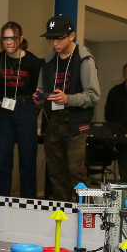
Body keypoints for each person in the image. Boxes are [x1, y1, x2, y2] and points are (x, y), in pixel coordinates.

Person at [37, 14, 100, 201]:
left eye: (58, 38)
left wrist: (68, 99)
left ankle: (86, 212)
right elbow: (41, 89)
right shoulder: (47, 62)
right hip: (52, 120)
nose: (53, 42)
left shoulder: (84, 59)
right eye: (50, 38)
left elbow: (93, 96)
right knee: (55, 171)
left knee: (76, 170)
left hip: (75, 121)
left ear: (71, 36)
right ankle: (61, 212)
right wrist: (39, 98)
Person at [0, 21, 44, 198]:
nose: (8, 42)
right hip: (4, 111)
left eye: (12, 38)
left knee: (28, 160)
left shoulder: (33, 61)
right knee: (2, 160)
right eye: (5, 38)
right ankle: (1, 201)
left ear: (20, 39)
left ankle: (29, 203)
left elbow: (41, 90)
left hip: (26, 109)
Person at [100, 62, 127, 183]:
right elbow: (108, 112)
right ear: (124, 74)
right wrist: (114, 129)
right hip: (121, 135)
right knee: (124, 166)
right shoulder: (115, 91)